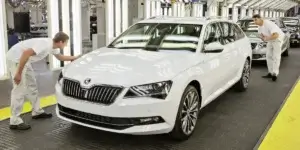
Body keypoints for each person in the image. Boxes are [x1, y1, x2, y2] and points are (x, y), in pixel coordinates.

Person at [6, 32, 81, 130]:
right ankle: (14, 121)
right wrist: (18, 73)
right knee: (19, 89)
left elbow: (60, 57)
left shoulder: (52, 46)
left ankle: (37, 112)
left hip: (24, 60)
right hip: (16, 59)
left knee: (32, 85)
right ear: (61, 42)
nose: (66, 45)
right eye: (66, 43)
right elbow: (26, 53)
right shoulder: (45, 44)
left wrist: (75, 58)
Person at [252, 14, 285, 82]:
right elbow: (262, 36)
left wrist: (267, 38)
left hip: (277, 39)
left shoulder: (268, 24)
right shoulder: (260, 27)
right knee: (268, 56)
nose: (254, 22)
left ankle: (275, 74)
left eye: (256, 20)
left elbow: (276, 35)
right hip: (270, 40)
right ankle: (270, 72)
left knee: (276, 56)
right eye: (253, 20)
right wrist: (261, 37)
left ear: (260, 18)